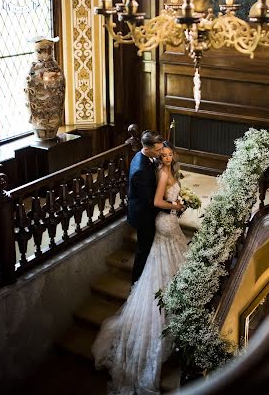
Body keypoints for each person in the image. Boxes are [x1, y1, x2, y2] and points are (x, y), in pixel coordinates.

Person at [93, 142, 187, 395]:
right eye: (162, 153)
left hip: (170, 223)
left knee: (170, 261)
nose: (166, 156)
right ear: (156, 153)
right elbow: (157, 200)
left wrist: (179, 200)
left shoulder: (162, 168)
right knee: (158, 263)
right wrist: (176, 206)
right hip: (164, 223)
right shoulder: (161, 173)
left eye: (169, 153)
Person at [127, 130, 164, 284]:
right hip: (143, 216)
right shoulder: (140, 170)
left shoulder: (144, 156)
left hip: (143, 208)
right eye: (158, 150)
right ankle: (136, 283)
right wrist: (170, 207)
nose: (161, 152)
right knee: (143, 250)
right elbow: (150, 201)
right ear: (147, 149)